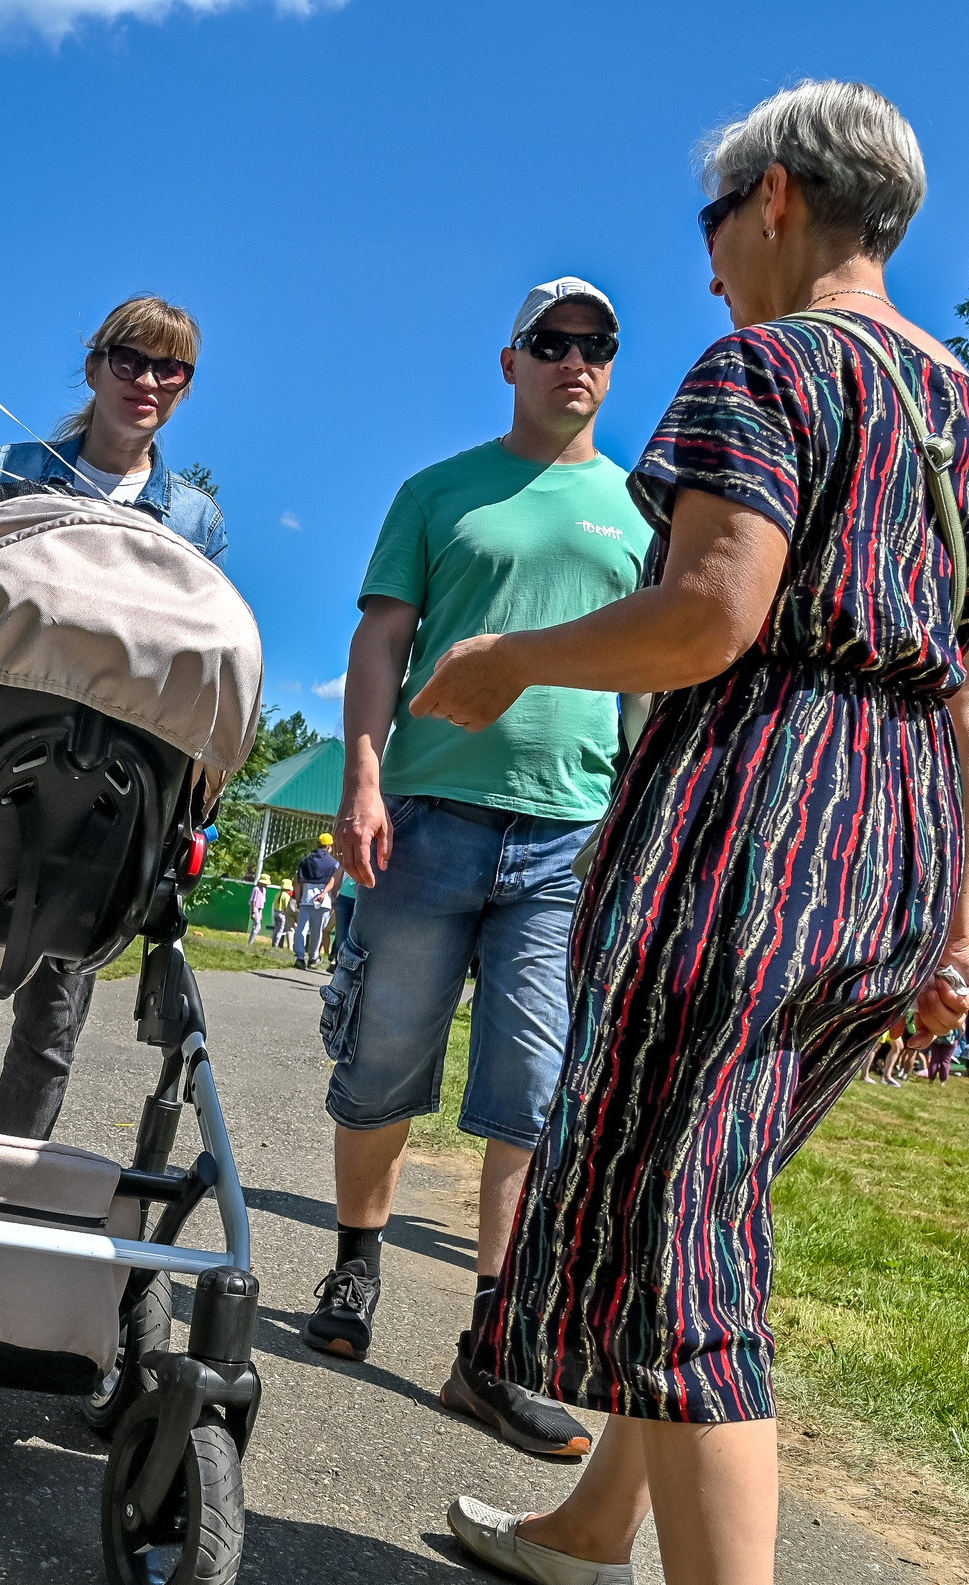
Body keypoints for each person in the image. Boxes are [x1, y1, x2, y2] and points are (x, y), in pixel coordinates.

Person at [426, 83, 969, 1585]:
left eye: (709, 229)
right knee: (701, 1200)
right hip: (892, 862)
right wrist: (952, 930)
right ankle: (591, 1529)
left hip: (754, 838)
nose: (701, 274)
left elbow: (709, 615)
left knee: (692, 1258)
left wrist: (506, 664)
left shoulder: (771, 366)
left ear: (772, 199)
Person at [303, 276, 648, 1472]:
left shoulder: (637, 511)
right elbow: (380, 640)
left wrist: (639, 826)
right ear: (510, 361)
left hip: (567, 838)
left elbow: (651, 678)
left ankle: (490, 1350)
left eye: (596, 346)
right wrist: (360, 776)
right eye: (551, 343)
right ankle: (354, 1266)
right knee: (384, 1056)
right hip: (428, 820)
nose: (575, 362)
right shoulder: (437, 491)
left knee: (530, 1088)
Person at [0, 295, 227, 1144]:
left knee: (51, 1024)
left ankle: (2, 1206)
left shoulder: (193, 520)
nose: (147, 381)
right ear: (94, 367)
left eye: (170, 368)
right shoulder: (17, 467)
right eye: (129, 359)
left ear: (186, 387)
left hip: (114, 780)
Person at [292, 834, 340, 970]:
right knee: (317, 931)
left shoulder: (305, 860)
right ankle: (313, 958)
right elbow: (335, 883)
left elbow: (298, 882)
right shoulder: (334, 864)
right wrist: (333, 899)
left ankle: (300, 957)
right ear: (330, 846)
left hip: (306, 899)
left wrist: (298, 898)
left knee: (301, 929)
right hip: (324, 901)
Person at [246, 871, 271, 946]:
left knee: (256, 926)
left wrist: (261, 913)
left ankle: (251, 942)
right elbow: (253, 901)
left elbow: (263, 902)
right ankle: (251, 942)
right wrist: (253, 912)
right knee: (258, 926)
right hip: (255, 908)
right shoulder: (256, 889)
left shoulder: (264, 890)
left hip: (260, 909)